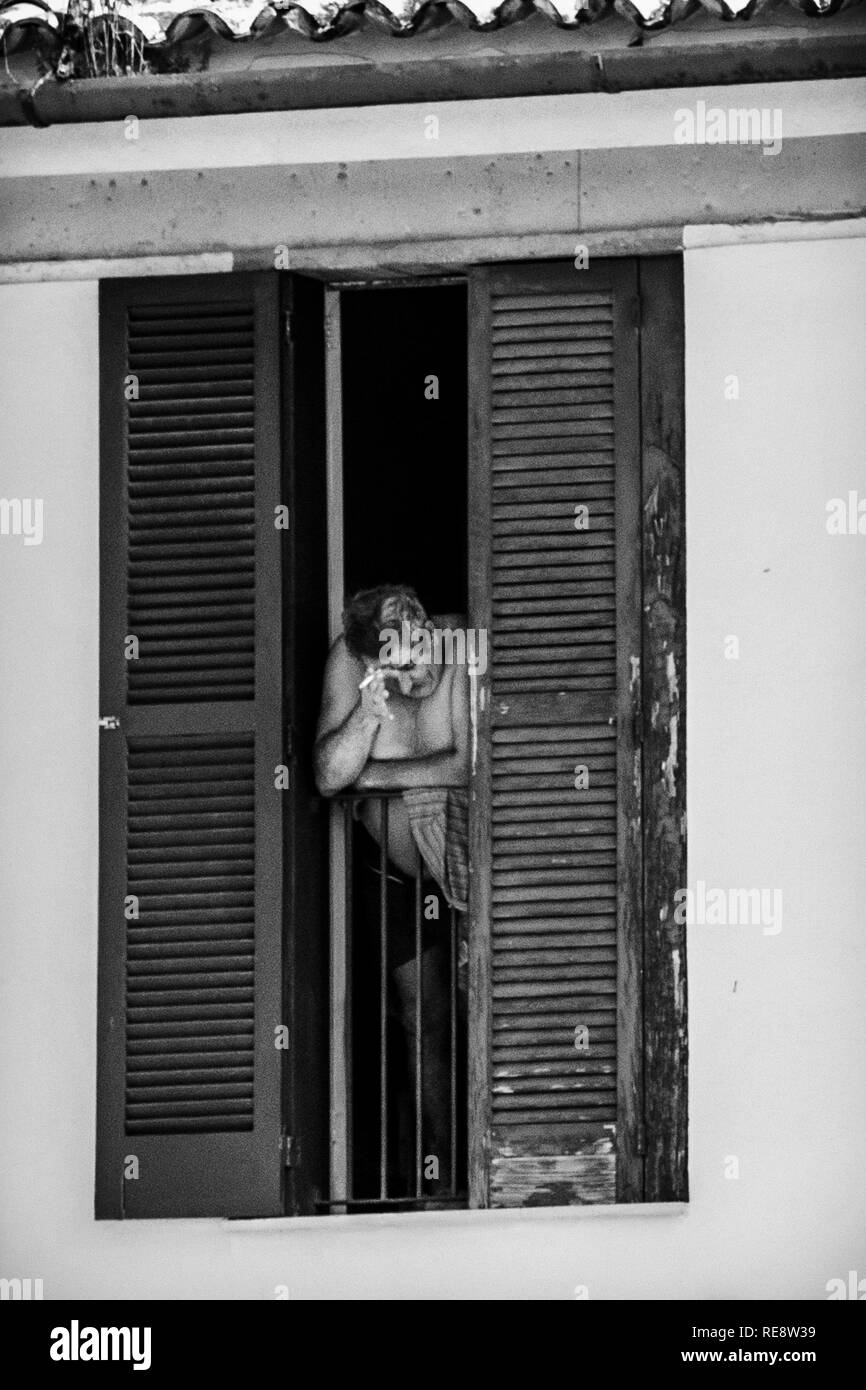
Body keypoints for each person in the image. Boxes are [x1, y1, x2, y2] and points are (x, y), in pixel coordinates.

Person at [314, 584, 470, 1197]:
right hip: (396, 878)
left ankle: (493, 1166)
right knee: (421, 1021)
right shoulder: (348, 664)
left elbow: (467, 766)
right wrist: (367, 717)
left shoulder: (462, 645)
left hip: (470, 857)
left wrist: (371, 775)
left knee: (485, 1000)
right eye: (401, 670)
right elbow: (329, 777)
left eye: (422, 649)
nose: (420, 673)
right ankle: (440, 1180)